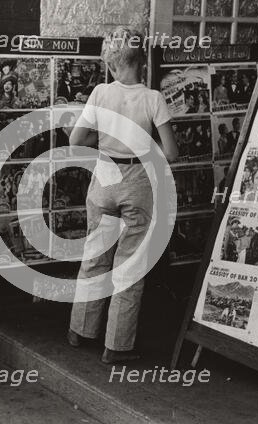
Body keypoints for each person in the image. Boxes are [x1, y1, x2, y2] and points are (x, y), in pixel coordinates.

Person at [67, 27, 179, 364]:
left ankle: (80, 331)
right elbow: (171, 153)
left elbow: (76, 140)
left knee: (94, 258)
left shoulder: (101, 93)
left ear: (113, 65)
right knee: (129, 266)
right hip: (137, 182)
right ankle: (116, 346)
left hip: (104, 178)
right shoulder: (153, 98)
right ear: (141, 60)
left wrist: (101, 144)